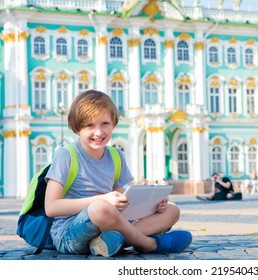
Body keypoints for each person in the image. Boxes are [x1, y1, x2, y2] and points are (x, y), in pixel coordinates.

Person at [45, 90, 192, 257]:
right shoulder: (67, 154)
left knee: (172, 211)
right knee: (100, 208)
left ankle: (105, 243)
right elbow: (51, 207)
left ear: (113, 124)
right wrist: (102, 200)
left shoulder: (116, 156)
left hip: (110, 228)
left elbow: (121, 206)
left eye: (105, 124)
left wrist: (152, 205)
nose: (99, 132)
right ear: (77, 127)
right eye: (89, 125)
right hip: (70, 235)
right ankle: (150, 244)